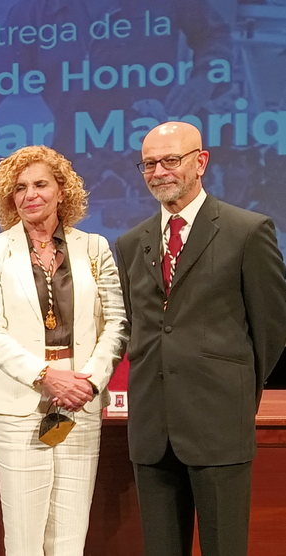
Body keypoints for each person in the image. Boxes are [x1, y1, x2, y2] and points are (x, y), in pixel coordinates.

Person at [115, 121, 286, 556]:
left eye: (171, 160)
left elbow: (270, 330)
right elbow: (140, 328)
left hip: (218, 425)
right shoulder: (132, 243)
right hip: (153, 430)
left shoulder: (247, 231)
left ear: (201, 162)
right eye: (149, 163)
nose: (159, 172)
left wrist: (233, 392)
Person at [0, 146, 128, 555]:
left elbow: (116, 323)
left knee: (70, 537)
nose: (30, 194)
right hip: (19, 406)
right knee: (24, 539)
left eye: (40, 184)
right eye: (19, 188)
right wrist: (46, 376)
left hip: (79, 402)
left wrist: (88, 382)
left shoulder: (94, 247)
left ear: (62, 190)